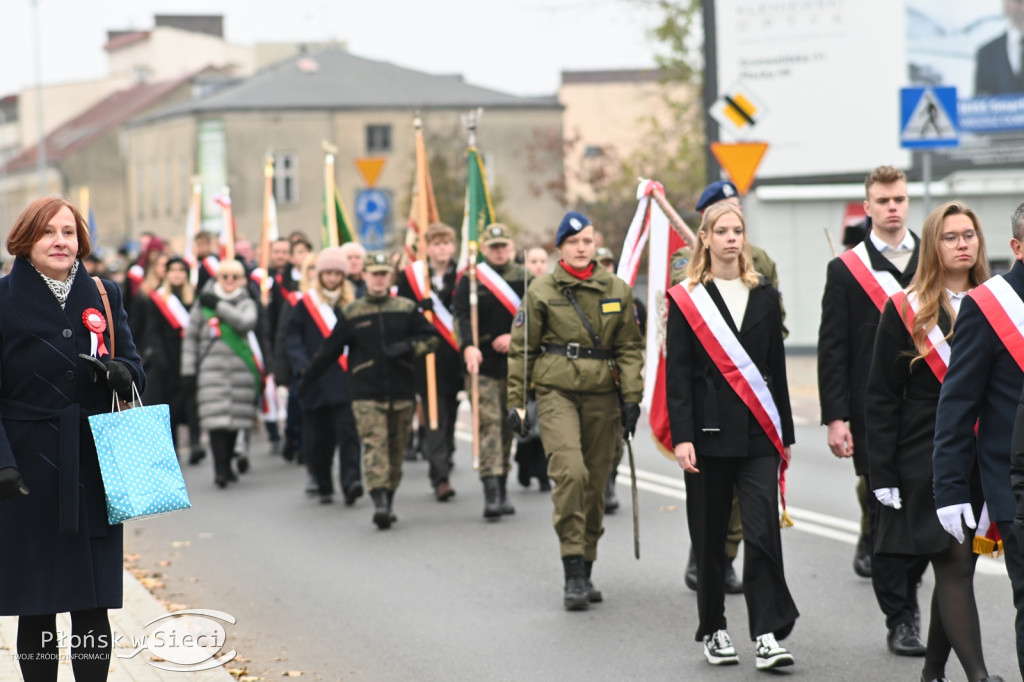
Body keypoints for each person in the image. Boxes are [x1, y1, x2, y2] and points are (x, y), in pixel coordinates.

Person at [0, 197, 145, 681]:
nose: (60, 241)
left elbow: (137, 368)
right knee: (36, 604)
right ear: (25, 240)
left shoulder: (105, 293)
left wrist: (121, 373)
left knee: (92, 603)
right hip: (25, 469)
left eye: (68, 232)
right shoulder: (2, 299)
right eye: (48, 232)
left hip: (91, 463)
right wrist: (2, 463)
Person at [867, 201, 1005, 682]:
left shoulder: (999, 303)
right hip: (924, 457)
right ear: (933, 245)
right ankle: (979, 676)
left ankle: (931, 674)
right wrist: (880, 471)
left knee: (958, 567)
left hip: (981, 458)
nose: (963, 243)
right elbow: (882, 396)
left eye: (969, 234)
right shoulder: (905, 309)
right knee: (955, 564)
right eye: (951, 236)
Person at [665, 202, 798, 670]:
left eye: (737, 230)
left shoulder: (764, 295)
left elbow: (775, 372)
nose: (731, 238)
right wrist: (682, 436)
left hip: (760, 434)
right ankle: (714, 628)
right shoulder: (686, 298)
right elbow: (677, 374)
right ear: (705, 238)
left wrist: (785, 435)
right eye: (721, 231)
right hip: (706, 433)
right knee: (710, 535)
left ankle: (765, 632)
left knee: (763, 532)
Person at [818, 165, 929, 656]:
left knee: (928, 511)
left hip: (931, 415)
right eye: (883, 200)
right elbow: (833, 349)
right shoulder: (846, 270)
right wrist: (836, 417)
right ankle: (901, 617)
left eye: (900, 199)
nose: (893, 207)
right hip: (873, 416)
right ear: (867, 208)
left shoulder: (936, 259)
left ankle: (913, 599)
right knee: (885, 515)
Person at [507, 211, 643, 611]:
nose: (582, 248)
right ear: (560, 248)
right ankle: (572, 572)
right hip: (556, 393)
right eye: (573, 242)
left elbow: (629, 348)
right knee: (571, 473)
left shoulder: (616, 288)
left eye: (587, 241)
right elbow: (521, 350)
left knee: (595, 484)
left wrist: (632, 397)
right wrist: (517, 401)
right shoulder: (540, 290)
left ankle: (586, 565)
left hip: (604, 396)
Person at [937, 201, 1024, 680]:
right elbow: (957, 405)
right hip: (1014, 485)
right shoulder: (988, 306)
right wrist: (949, 489)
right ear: (1016, 246)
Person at [673, 180, 770, 595]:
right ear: (705, 226)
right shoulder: (683, 262)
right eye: (722, 221)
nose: (732, 234)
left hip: (751, 388)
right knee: (714, 497)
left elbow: (770, 318)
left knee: (750, 503)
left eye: (738, 224)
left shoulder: (761, 263)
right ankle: (711, 560)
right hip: (710, 394)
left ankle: (727, 558)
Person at [299, 253, 438, 530]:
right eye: (373, 273)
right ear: (364, 276)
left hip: (401, 390)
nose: (378, 279)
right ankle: (379, 502)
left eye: (383, 274)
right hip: (366, 393)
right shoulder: (353, 312)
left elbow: (431, 338)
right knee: (375, 445)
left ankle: (389, 494)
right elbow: (329, 351)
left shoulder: (406, 308)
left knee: (395, 450)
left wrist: (409, 347)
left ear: (390, 277)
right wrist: (305, 379)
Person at [454, 223, 527, 519]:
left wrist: (516, 338)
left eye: (503, 246)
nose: (499, 251)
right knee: (488, 426)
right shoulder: (471, 280)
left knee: (510, 425)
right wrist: (467, 346)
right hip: (481, 365)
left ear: (510, 247)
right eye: (493, 247)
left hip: (515, 366)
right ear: (484, 250)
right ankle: (491, 491)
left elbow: (538, 316)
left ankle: (503, 484)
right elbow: (460, 316)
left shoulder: (526, 280)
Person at [285, 247, 362, 506]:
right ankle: (324, 483)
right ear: (319, 275)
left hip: (345, 379)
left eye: (336, 273)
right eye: (327, 273)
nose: (331, 278)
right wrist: (303, 366)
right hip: (315, 380)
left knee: (349, 434)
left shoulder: (351, 305)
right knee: (319, 438)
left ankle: (351, 481)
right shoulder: (306, 305)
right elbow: (292, 338)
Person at [395, 222, 463, 501]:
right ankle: (440, 476)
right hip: (427, 359)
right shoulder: (413, 279)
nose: (442, 249)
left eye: (446, 243)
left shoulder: (463, 277)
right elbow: (400, 314)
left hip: (455, 359)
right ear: (427, 248)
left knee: (450, 410)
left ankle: (446, 454)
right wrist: (417, 310)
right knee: (435, 415)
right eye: (436, 244)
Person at [181, 259, 261, 488]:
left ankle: (228, 463)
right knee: (216, 423)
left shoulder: (245, 301)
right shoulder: (202, 303)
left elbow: (246, 322)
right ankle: (220, 469)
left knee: (235, 422)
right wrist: (188, 371)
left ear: (242, 280)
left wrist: (218, 305)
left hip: (240, 370)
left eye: (234, 277)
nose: (229, 281)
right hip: (210, 371)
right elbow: (191, 338)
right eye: (224, 276)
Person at [138, 256, 201, 460]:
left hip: (190, 357)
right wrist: (159, 355)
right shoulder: (158, 299)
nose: (177, 274)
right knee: (170, 405)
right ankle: (172, 448)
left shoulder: (194, 298)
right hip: (168, 359)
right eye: (173, 270)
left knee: (192, 402)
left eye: (181, 270)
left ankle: (195, 443)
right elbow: (152, 330)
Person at [975, 0, 1024, 96]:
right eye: (1018, 2)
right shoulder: (986, 53)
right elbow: (979, 104)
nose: (1022, 9)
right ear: (1005, 3)